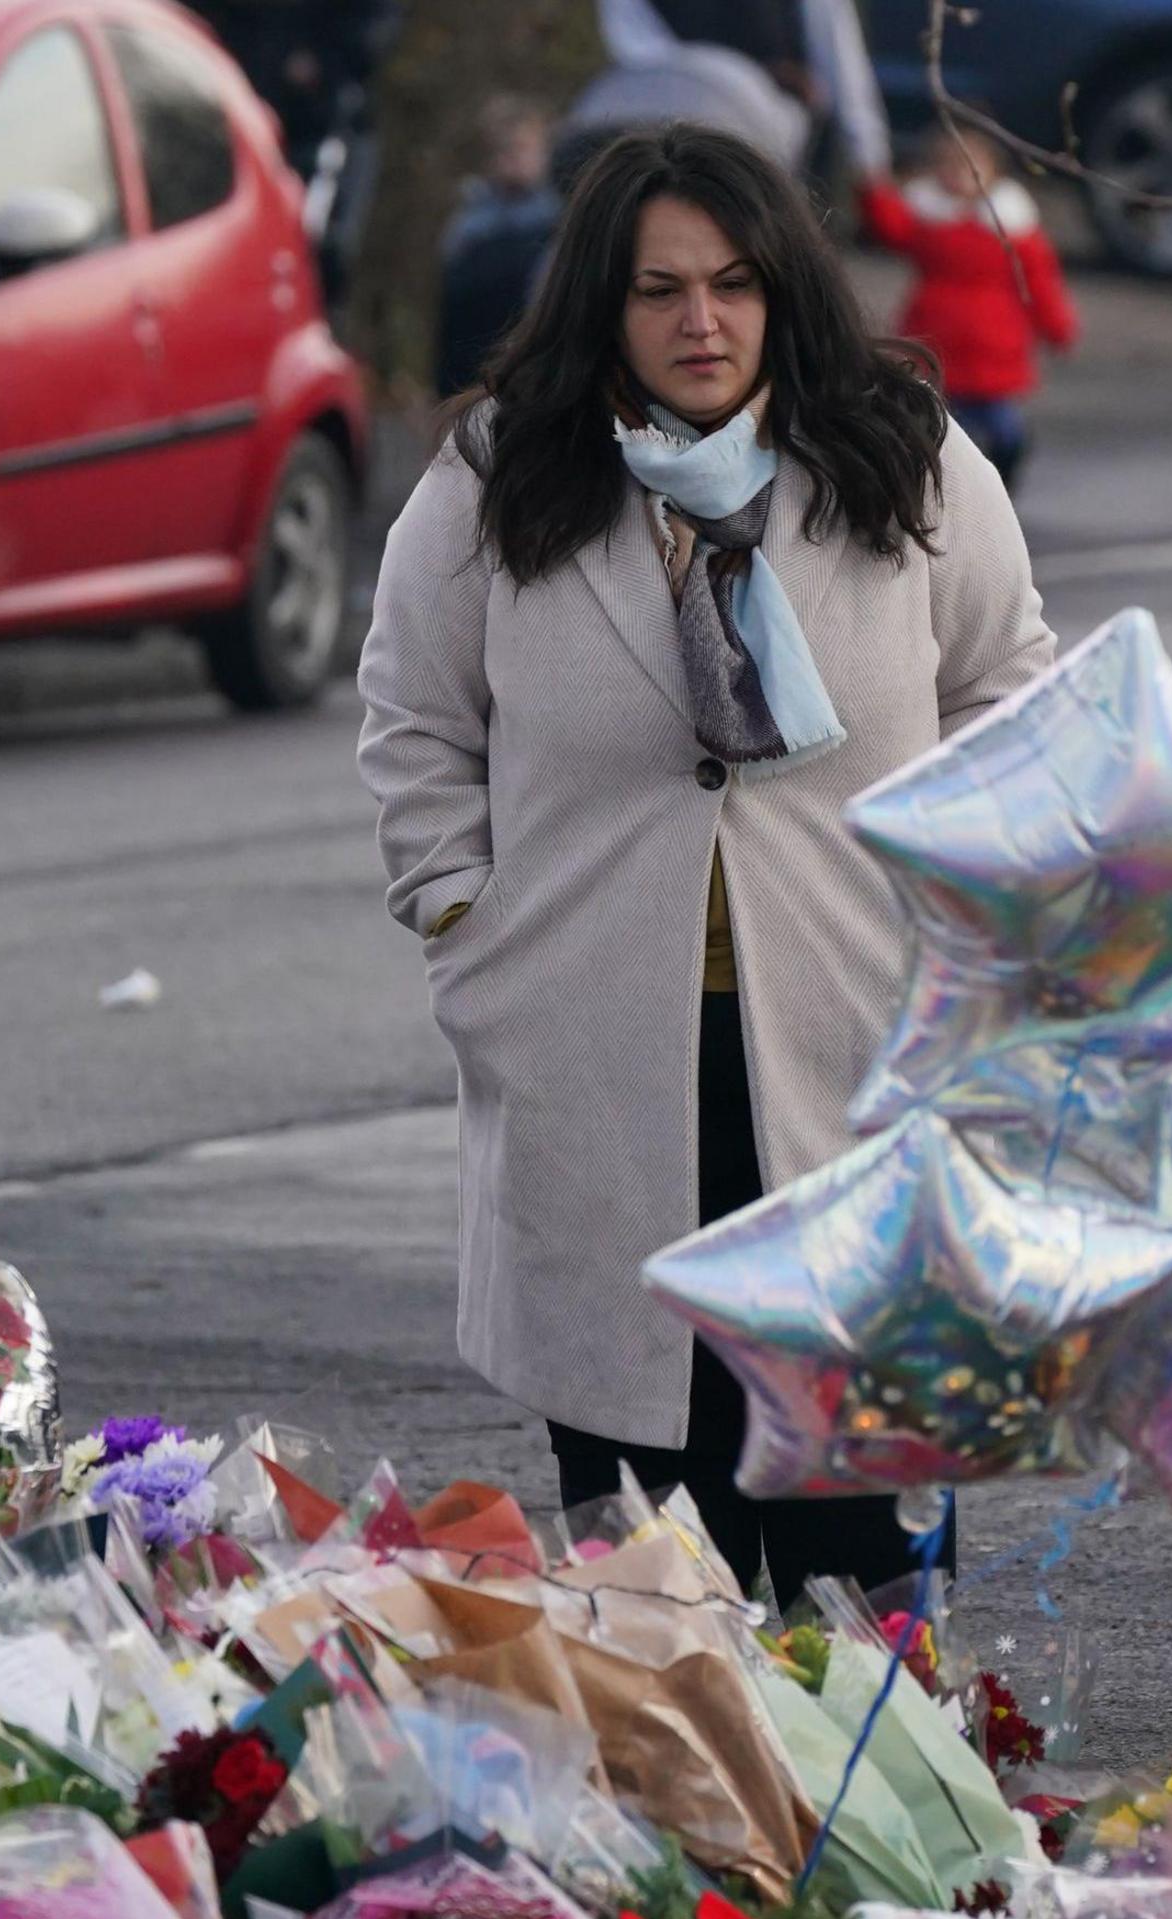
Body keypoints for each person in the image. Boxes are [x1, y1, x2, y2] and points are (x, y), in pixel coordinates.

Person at [358, 124, 1054, 1600]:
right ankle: (693, 1815)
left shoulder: (902, 450)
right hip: (601, 1061)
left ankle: (878, 1814)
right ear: (601, 304)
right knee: (654, 1572)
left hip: (862, 1051)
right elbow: (415, 721)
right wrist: (464, 920)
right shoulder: (498, 478)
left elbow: (1011, 688)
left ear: (781, 288)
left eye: (734, 284)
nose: (701, 322)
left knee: (862, 1561)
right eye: (660, 290)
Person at [862, 125, 1078, 493]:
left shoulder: (1013, 226)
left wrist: (1058, 326)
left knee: (1002, 429)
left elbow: (1040, 282)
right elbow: (890, 227)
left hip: (993, 349)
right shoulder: (929, 217)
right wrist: (870, 187)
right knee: (932, 427)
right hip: (935, 344)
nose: (958, 175)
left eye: (969, 166)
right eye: (948, 165)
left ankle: (1000, 481)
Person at [438, 95, 563, 401]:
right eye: (503, 151)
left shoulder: (558, 221)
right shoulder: (470, 222)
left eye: (522, 149)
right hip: (472, 363)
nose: (512, 160)